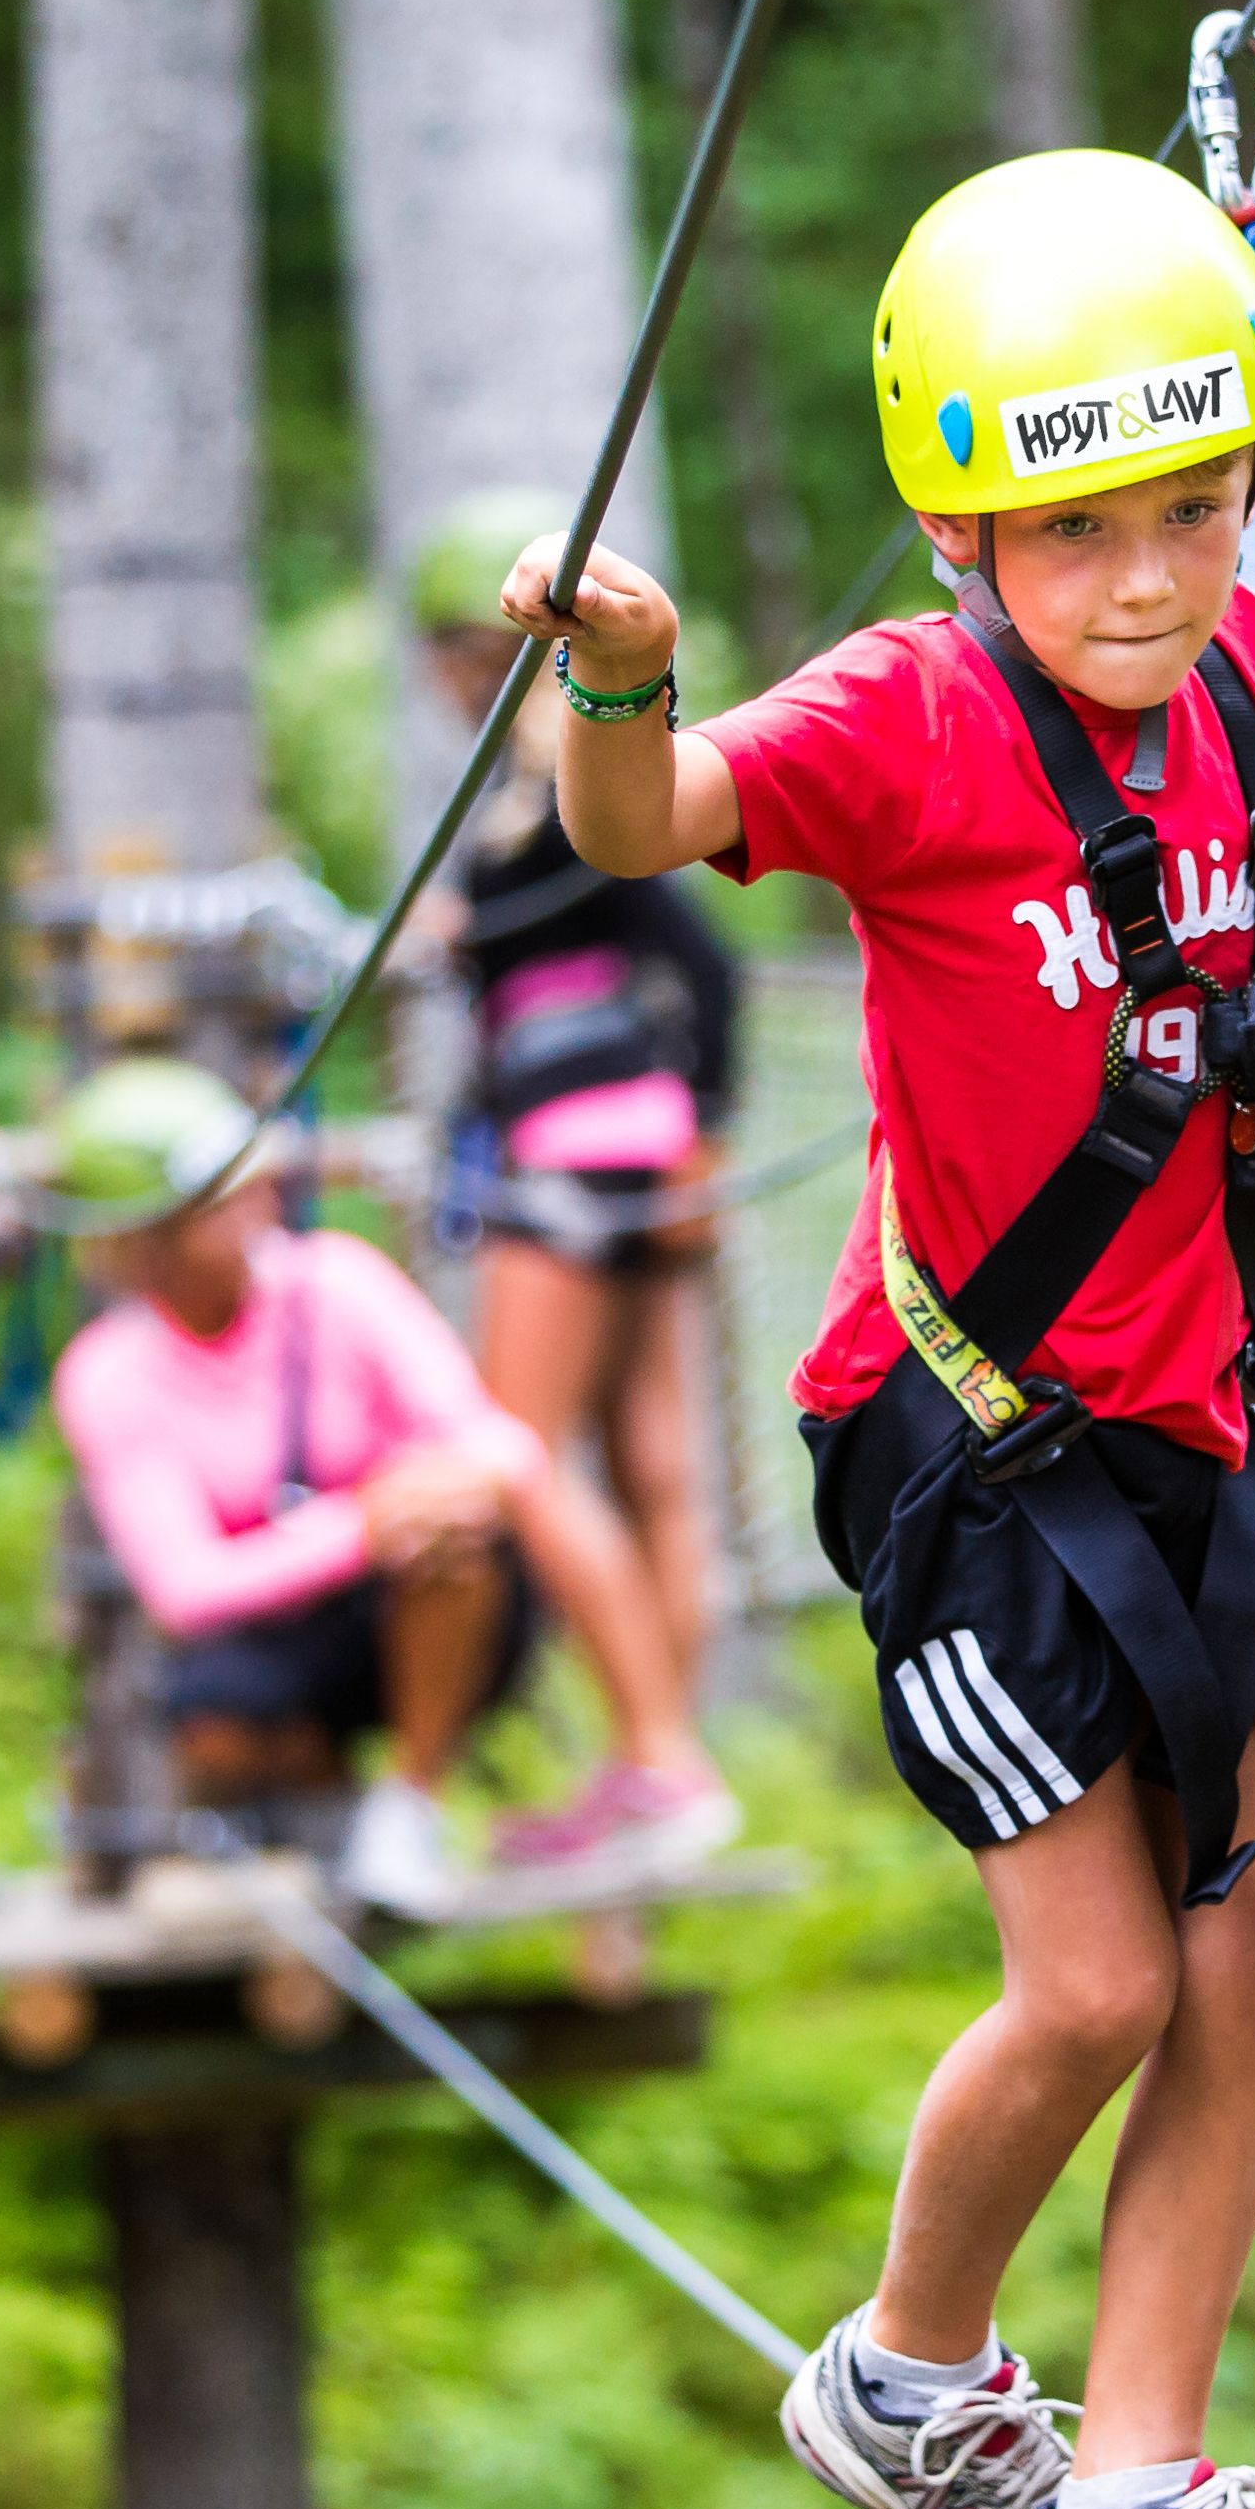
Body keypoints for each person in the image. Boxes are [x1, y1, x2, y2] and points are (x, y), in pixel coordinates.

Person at [513, 147, 1255, 2509]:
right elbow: (645, 823)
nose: (1148, 574)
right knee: (1108, 1980)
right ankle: (906, 2370)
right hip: (969, 1434)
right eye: (1079, 529)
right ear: (959, 524)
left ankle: (1133, 2486)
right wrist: (618, 668)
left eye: (1198, 505)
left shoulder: (1247, 675)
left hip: (1205, 1412)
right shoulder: (903, 718)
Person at [44, 1058, 738, 1910]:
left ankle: (439, 1801)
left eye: (254, 1182)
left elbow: (507, 1450)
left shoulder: (337, 1282)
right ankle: (317, 1814)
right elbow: (183, 1589)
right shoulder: (110, 1374)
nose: (259, 1205)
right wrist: (359, 1525)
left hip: (413, 1614)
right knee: (220, 1717)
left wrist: (418, 1495)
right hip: (271, 1649)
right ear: (142, 1240)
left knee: (450, 1526)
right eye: (219, 1200)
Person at [411, 487, 749, 1732]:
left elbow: (704, 961)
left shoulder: (566, 782)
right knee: (655, 1464)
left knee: (519, 1454)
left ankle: (658, 1752)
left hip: (574, 1148)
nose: (450, 684)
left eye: (458, 660)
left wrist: (709, 1129)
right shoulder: (527, 793)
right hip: (641, 1143)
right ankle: (666, 1758)